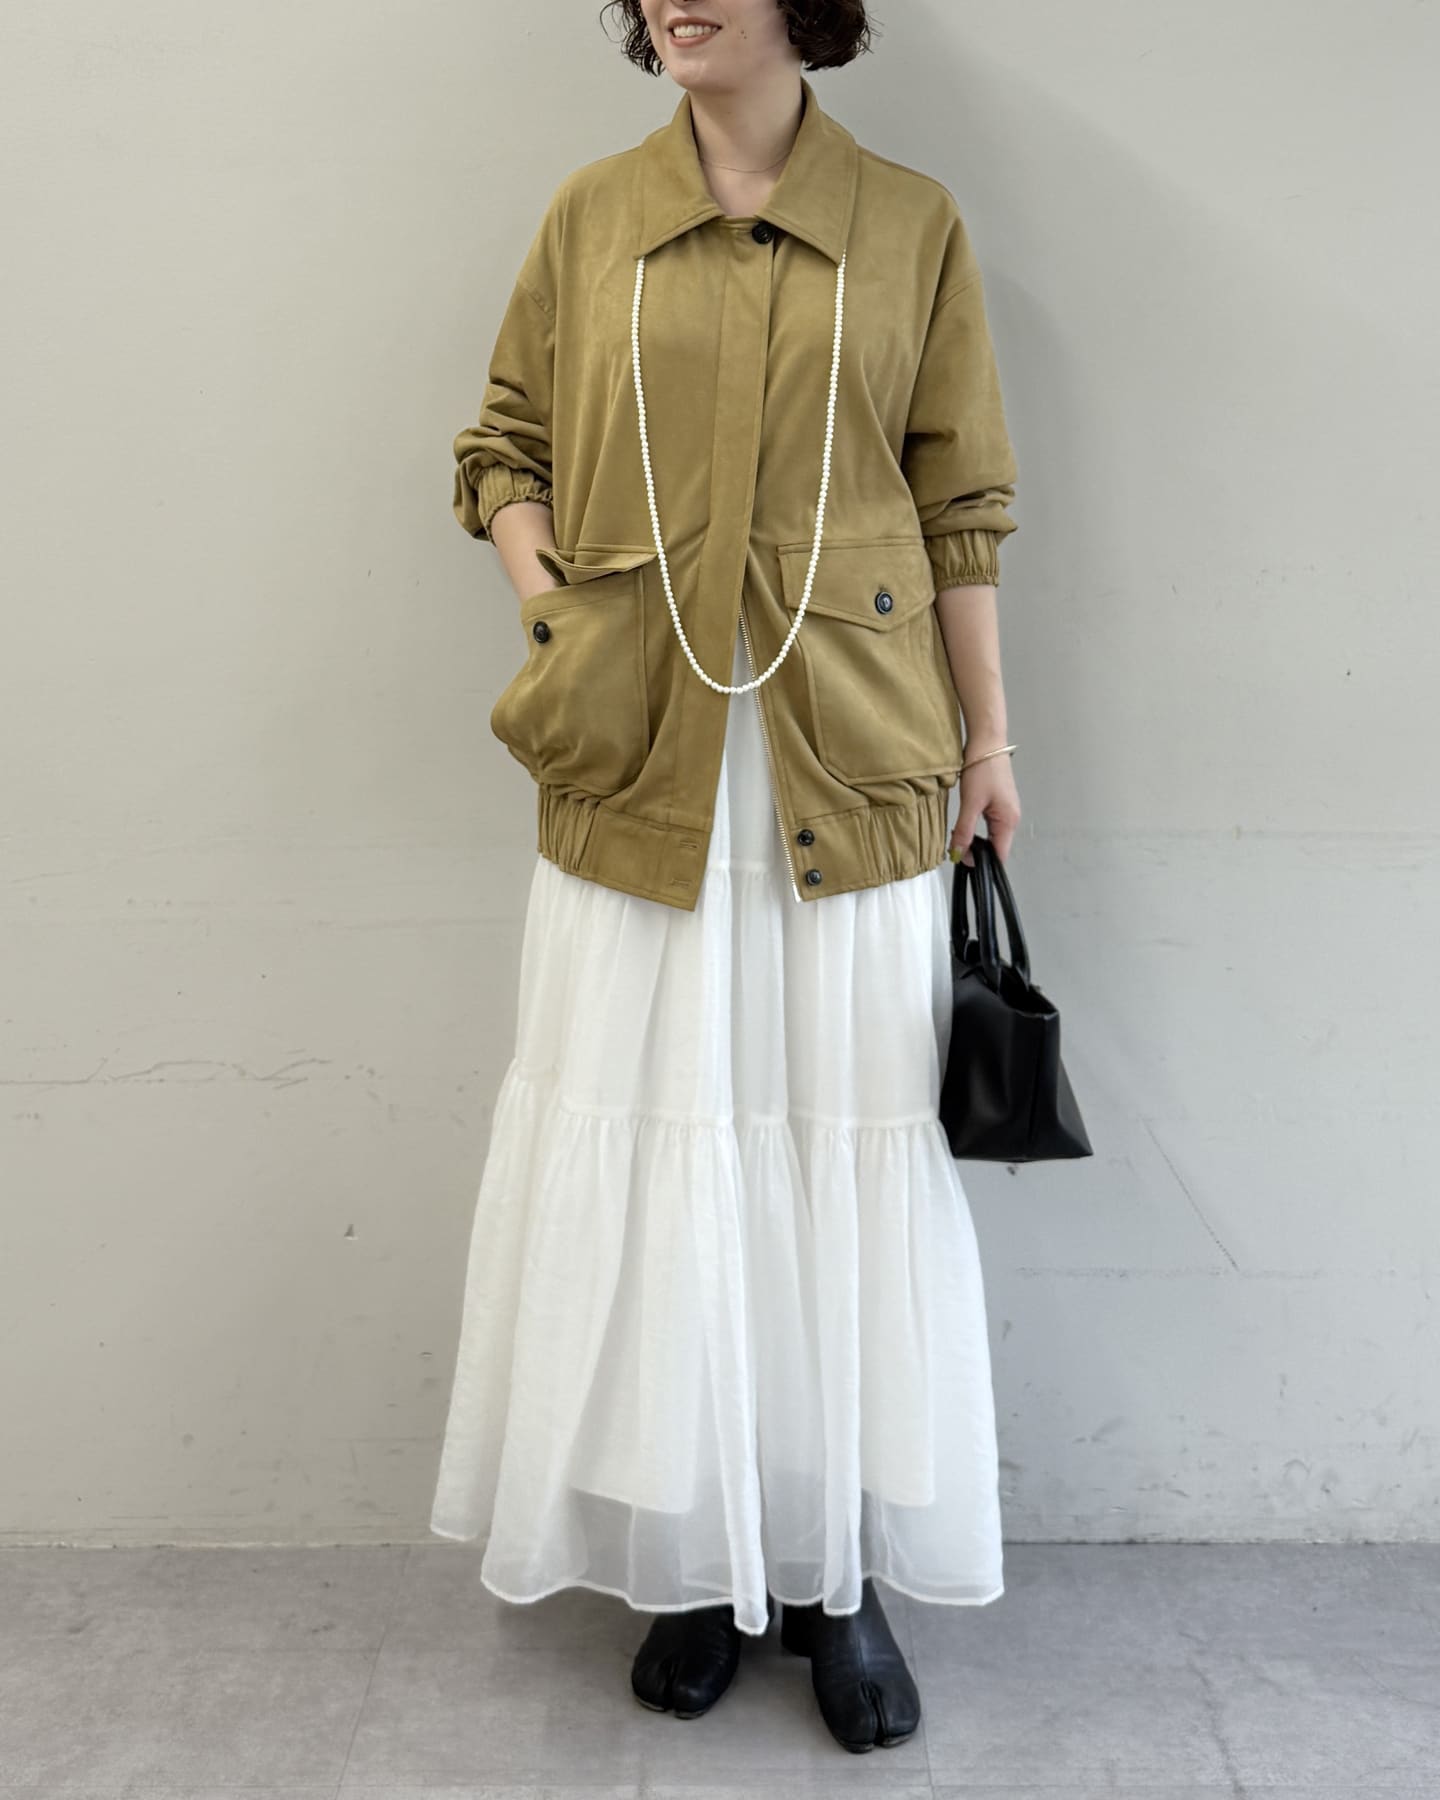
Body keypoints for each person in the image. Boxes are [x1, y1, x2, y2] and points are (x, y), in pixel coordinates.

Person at [429, 0, 1022, 1756]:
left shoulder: (909, 224)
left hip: (854, 754)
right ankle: (694, 1561)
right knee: (660, 1143)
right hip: (643, 761)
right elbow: (501, 450)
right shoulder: (591, 216)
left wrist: (993, 743)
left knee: (839, 1151)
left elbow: (963, 505)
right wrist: (560, 613)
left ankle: (838, 1575)